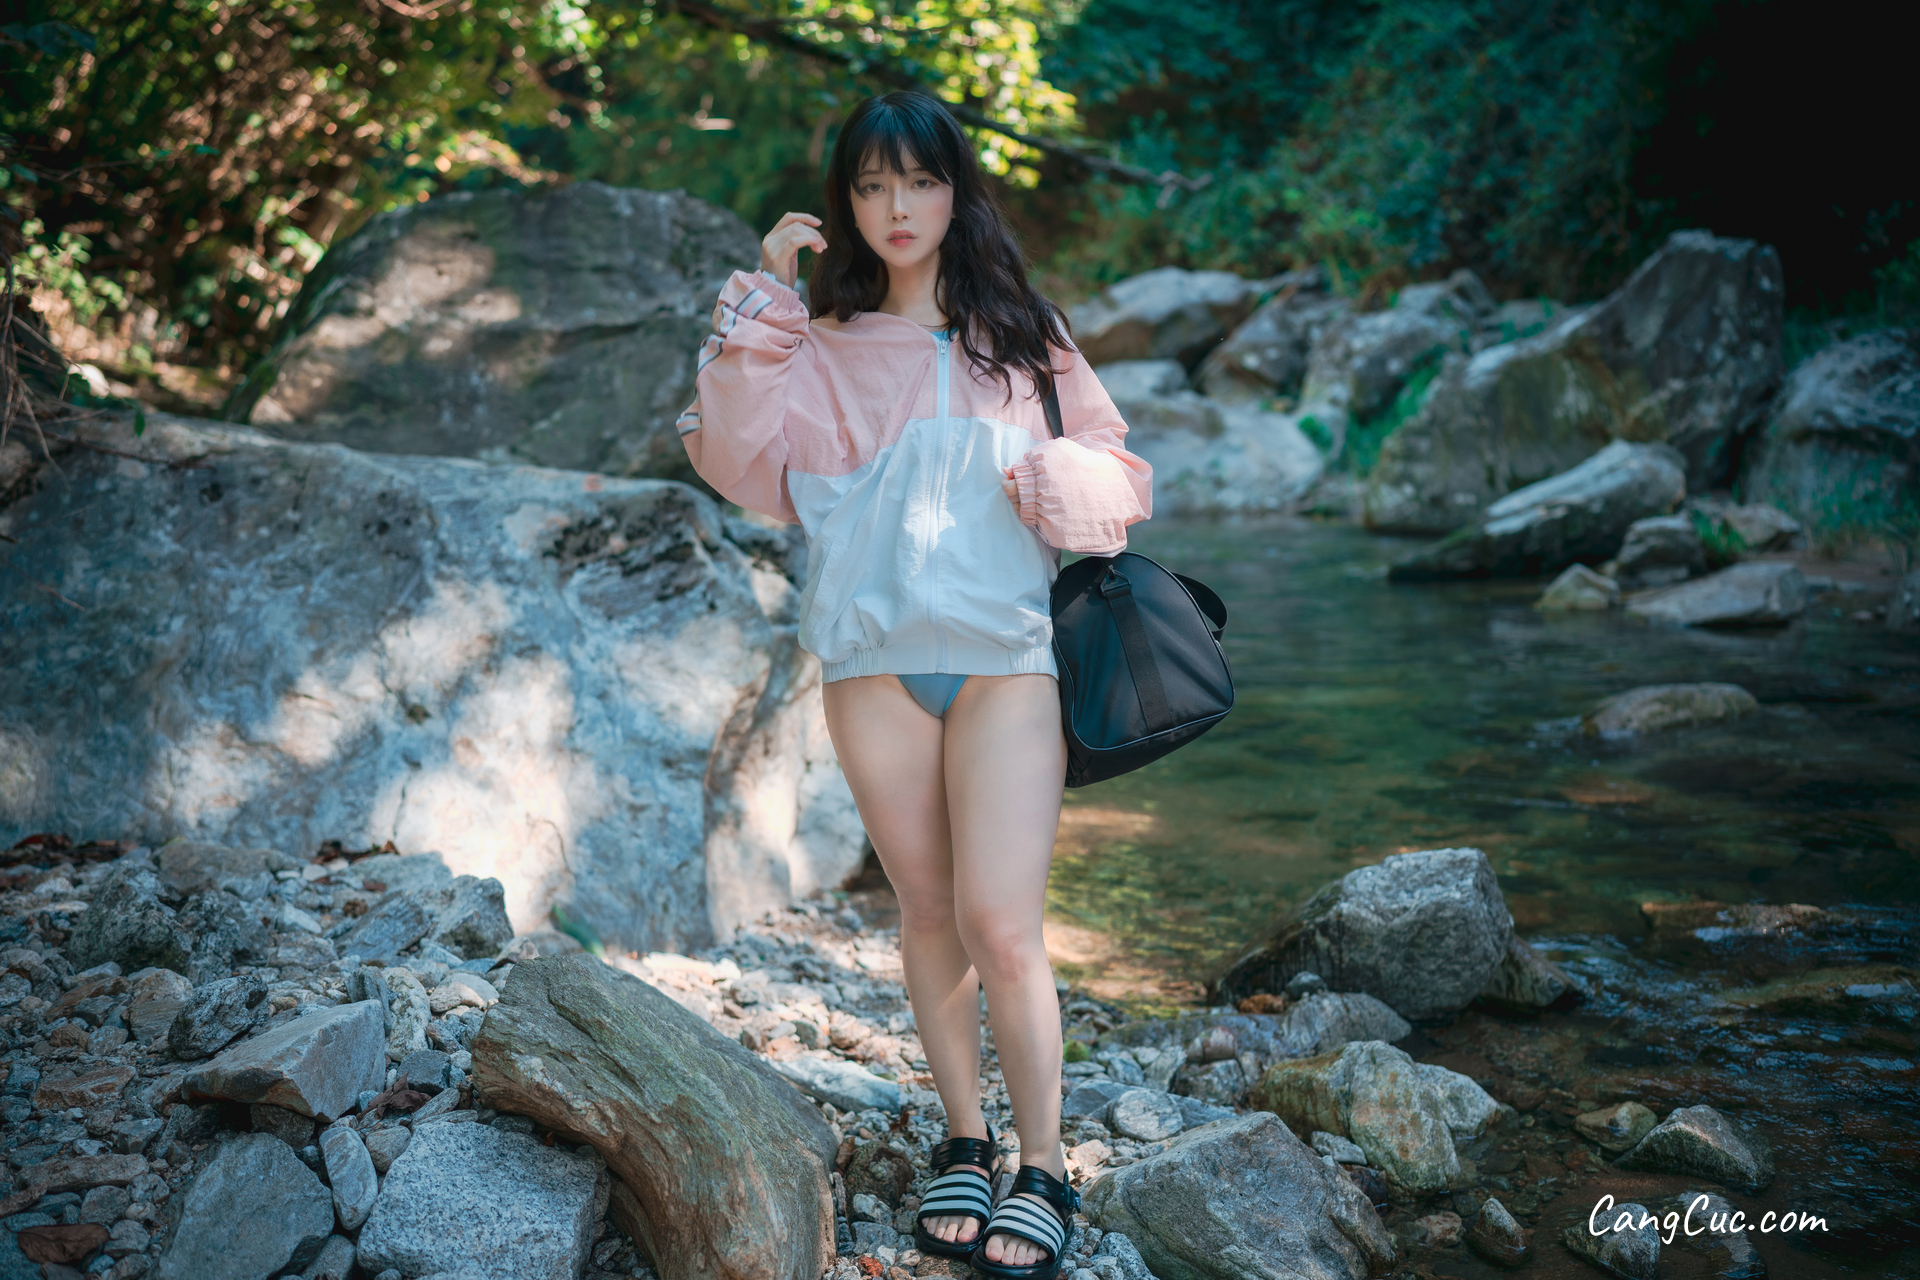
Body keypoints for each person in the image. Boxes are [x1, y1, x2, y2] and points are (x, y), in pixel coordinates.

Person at [677, 89, 1152, 1280]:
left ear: (956, 193)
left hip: (1006, 659)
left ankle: (1046, 1164)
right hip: (873, 665)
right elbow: (732, 457)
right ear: (846, 201)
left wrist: (1056, 477)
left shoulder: (1026, 335)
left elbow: (1121, 477)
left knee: (1003, 922)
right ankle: (965, 1138)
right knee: (930, 912)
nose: (899, 207)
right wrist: (766, 304)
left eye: (922, 181)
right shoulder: (819, 347)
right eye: (873, 184)